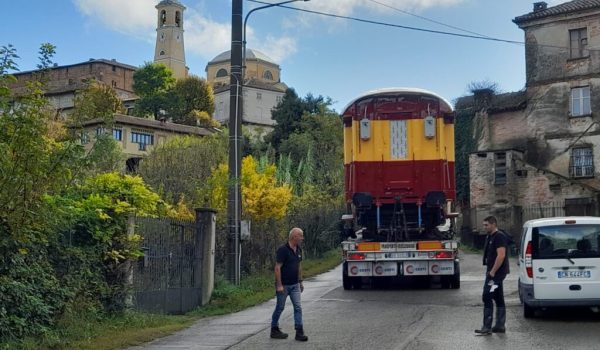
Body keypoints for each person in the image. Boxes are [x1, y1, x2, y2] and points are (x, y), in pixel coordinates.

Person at [270, 227, 308, 341]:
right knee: (280, 307)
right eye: (300, 236)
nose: (302, 238)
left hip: (295, 284)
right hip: (284, 285)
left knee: (298, 307)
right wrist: (279, 285)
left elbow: (299, 266)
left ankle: (299, 332)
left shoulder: (298, 249)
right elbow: (277, 268)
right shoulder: (283, 250)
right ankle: (274, 329)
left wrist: (300, 281)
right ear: (294, 237)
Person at [475, 216, 509, 335]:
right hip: (493, 272)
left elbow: (501, 255)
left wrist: (493, 272)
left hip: (496, 274)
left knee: (487, 295)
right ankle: (500, 326)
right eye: (484, 225)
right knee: (498, 297)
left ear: (493, 224)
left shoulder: (499, 236)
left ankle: (487, 327)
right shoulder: (490, 236)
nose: (484, 227)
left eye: (486, 225)